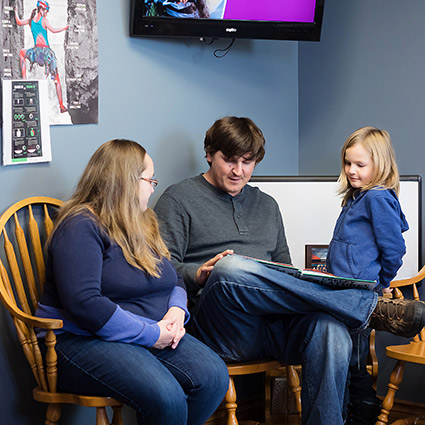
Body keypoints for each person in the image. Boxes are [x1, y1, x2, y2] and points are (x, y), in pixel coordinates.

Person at [154, 116, 425, 425]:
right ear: (209, 154)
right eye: (229, 160)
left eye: (247, 162)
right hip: (225, 327)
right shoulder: (179, 198)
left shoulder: (267, 205)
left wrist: (292, 273)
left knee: (330, 328)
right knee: (230, 266)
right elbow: (161, 271)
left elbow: (283, 267)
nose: (238, 171)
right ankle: (364, 306)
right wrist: (198, 273)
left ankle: (353, 311)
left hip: (275, 327)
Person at [35, 139, 229, 425]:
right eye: (150, 179)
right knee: (166, 396)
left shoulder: (144, 221)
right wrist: (151, 334)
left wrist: (177, 312)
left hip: (147, 331)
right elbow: (85, 304)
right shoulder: (80, 226)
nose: (153, 187)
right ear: (125, 182)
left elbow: (172, 275)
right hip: (80, 340)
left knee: (213, 376)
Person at [327, 127, 408, 425]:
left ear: (380, 165)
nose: (351, 170)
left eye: (360, 165)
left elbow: (394, 248)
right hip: (341, 291)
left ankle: (362, 409)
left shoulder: (377, 198)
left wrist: (382, 283)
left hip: (360, 294)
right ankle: (351, 407)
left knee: (354, 356)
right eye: (348, 163)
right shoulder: (356, 197)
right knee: (343, 353)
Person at [14, 1, 69, 113]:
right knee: (56, 79)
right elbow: (53, 30)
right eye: (46, 10)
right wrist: (65, 28)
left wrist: (15, 11)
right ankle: (61, 106)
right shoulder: (44, 20)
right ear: (41, 9)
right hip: (46, 54)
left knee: (22, 53)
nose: (46, 13)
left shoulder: (31, 21)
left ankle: (24, 80)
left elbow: (18, 22)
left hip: (36, 53)